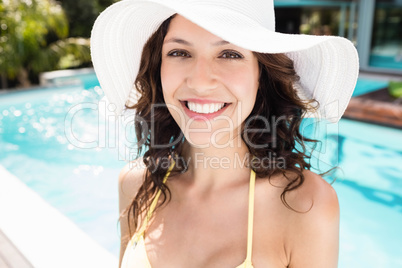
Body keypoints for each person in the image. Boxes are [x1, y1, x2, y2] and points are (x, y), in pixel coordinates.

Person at [91, 0, 359, 267]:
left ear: (261, 75)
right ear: (157, 68)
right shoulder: (136, 183)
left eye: (229, 54)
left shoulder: (305, 204)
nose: (200, 82)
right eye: (179, 52)